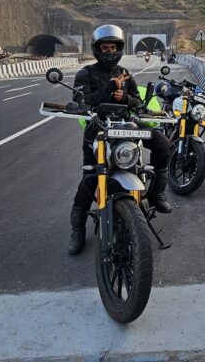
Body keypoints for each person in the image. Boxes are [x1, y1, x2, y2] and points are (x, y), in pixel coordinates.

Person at [68, 24, 172, 255]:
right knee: (90, 178)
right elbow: (82, 102)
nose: (109, 51)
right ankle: (77, 230)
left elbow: (138, 102)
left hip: (126, 126)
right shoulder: (85, 74)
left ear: (119, 48)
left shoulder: (125, 73)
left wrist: (124, 96)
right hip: (98, 128)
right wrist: (107, 90)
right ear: (97, 49)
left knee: (163, 145)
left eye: (112, 47)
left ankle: (157, 194)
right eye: (104, 47)